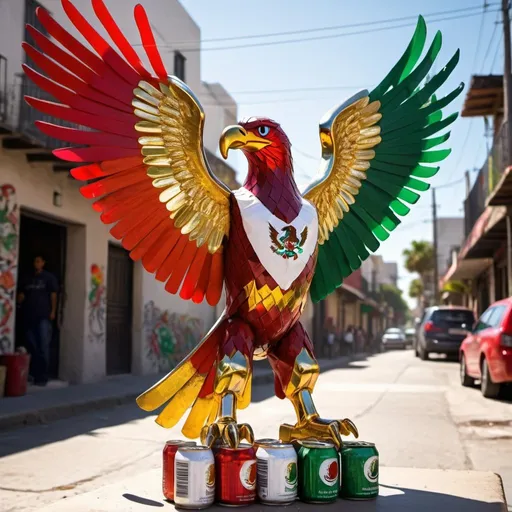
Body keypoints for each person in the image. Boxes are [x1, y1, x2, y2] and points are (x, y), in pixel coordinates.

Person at [17, 255, 58, 386]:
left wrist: (53, 311)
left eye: (39, 261)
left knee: (43, 346)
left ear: (43, 263)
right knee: (31, 346)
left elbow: (53, 295)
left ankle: (42, 376)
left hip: (43, 317)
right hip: (28, 316)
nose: (37, 264)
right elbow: (22, 294)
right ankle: (34, 373)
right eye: (35, 261)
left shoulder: (49, 277)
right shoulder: (27, 277)